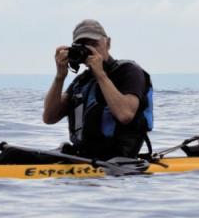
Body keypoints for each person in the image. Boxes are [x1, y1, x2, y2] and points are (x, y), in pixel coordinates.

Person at [42, 19, 153, 160]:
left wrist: (100, 74)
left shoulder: (129, 72)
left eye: (94, 44)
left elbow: (125, 114)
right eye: (84, 45)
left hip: (119, 162)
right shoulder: (82, 81)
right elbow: (49, 117)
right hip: (82, 157)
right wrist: (60, 77)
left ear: (108, 43)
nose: (89, 50)